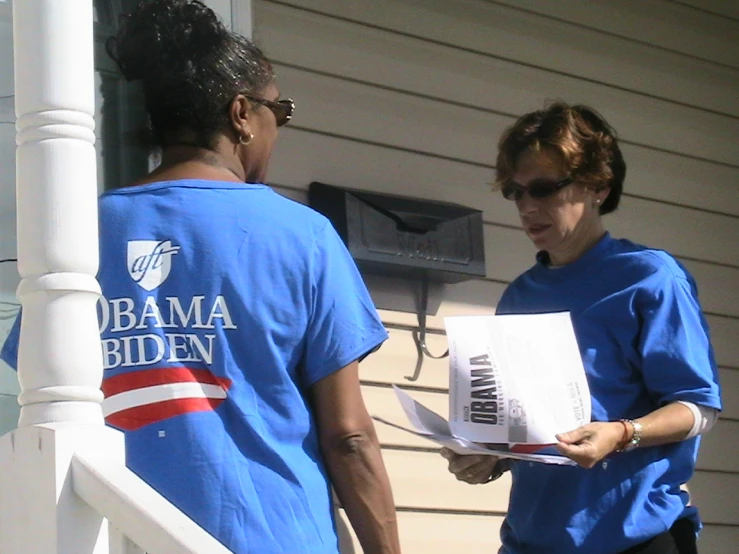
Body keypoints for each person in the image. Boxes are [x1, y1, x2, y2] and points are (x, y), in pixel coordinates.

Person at [1, 1, 401, 553]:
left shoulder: (80, 234)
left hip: (120, 535)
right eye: (277, 112)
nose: (276, 129)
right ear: (241, 113)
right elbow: (349, 436)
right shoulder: (302, 237)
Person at [441, 102, 721, 554]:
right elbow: (524, 426)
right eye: (516, 192)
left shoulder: (649, 278)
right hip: (531, 540)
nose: (528, 207)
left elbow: (699, 410)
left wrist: (621, 434)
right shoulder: (520, 295)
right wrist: (489, 458)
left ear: (597, 185)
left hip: (634, 540)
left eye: (545, 188)